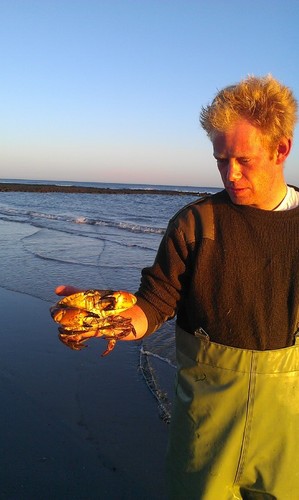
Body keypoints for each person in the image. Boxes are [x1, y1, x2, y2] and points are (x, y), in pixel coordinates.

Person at [55, 75, 299, 499]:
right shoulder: (195, 224)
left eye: (243, 159)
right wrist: (109, 318)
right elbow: (155, 301)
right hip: (205, 421)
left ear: (281, 150)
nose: (230, 174)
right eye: (220, 160)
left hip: (289, 427)